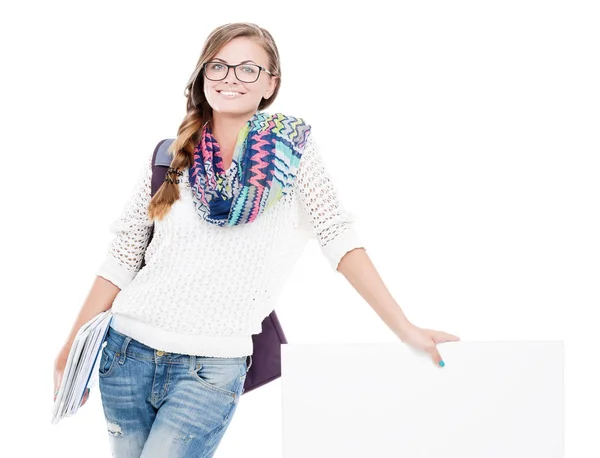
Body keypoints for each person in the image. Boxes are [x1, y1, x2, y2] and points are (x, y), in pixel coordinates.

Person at [53, 22, 460, 457]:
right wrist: (68, 352)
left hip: (210, 369)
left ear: (271, 83)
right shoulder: (170, 156)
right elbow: (123, 256)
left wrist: (404, 328)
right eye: (219, 66)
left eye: (248, 68)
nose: (231, 78)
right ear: (202, 77)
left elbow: (338, 236)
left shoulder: (291, 154)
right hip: (125, 356)